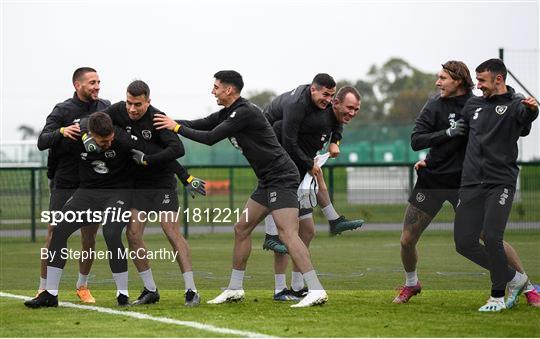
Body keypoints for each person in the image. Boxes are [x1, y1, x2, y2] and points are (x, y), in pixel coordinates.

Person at [154, 70, 328, 307]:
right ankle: (235, 288)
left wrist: (175, 128)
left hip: (282, 177)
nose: (212, 90)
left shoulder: (244, 112)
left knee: (287, 233)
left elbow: (210, 137)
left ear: (229, 89)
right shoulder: (230, 112)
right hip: (267, 180)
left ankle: (316, 289)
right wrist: (168, 123)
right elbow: (201, 123)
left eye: (216, 87)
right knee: (241, 228)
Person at [393, 60, 540, 307]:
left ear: (458, 80)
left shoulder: (478, 102)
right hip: (433, 179)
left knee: (490, 237)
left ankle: (526, 286)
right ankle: (411, 283)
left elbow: (509, 112)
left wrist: (525, 107)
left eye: (442, 78)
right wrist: (441, 141)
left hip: (465, 182)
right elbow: (417, 140)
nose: (437, 82)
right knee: (407, 239)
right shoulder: (434, 105)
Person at [25, 112, 173, 307]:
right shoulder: (77, 138)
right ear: (91, 135)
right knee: (58, 231)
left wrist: (184, 176)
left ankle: (122, 294)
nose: (107, 144)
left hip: (118, 193)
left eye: (109, 139)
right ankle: (50, 294)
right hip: (87, 193)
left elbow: (162, 152)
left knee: (111, 233)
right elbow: (49, 147)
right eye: (102, 142)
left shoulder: (123, 139)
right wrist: (52, 173)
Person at [97, 80, 204, 306]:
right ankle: (150, 290)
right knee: (133, 234)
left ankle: (191, 290)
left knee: (171, 232)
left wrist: (149, 160)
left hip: (162, 185)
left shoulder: (157, 118)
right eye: (129, 103)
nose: (132, 109)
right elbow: (96, 121)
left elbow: (177, 149)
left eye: (138, 104)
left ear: (148, 101)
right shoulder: (117, 110)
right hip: (138, 186)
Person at [453, 59, 538, 312]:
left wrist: (532, 110)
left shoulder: (515, 105)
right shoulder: (473, 105)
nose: (478, 86)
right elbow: (460, 138)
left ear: (499, 79)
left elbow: (526, 119)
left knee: (492, 237)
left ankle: (497, 296)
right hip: (470, 183)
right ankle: (515, 277)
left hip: (500, 182)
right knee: (463, 243)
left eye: (482, 81)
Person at [264, 83, 362, 301]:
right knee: (276, 233)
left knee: (306, 231)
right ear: (335, 103)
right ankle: (279, 289)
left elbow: (337, 124)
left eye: (356, 109)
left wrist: (335, 141)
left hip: (299, 176)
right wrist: (308, 162)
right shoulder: (309, 113)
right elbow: (283, 133)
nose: (352, 113)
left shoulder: (330, 115)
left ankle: (297, 286)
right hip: (283, 174)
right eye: (350, 108)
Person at [36, 67, 110, 303]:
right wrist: (62, 131)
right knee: (54, 234)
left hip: (92, 183)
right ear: (78, 85)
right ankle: (44, 288)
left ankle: (82, 286)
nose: (97, 86)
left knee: (89, 237)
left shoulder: (105, 107)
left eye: (98, 81)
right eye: (92, 82)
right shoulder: (63, 109)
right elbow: (42, 140)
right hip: (65, 182)